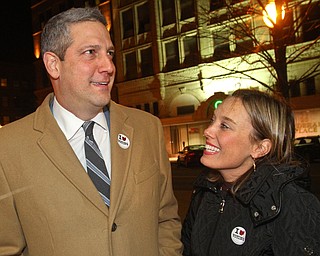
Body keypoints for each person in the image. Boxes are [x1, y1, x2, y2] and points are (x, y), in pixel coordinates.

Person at [0, 7, 182, 256]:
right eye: (90, 53)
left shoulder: (147, 128)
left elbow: (167, 219)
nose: (108, 66)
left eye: (109, 53)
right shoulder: (8, 147)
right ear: (54, 65)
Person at [181, 89, 320, 256]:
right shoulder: (205, 191)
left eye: (224, 126)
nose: (208, 131)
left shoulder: (294, 204)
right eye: (213, 120)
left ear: (260, 148)